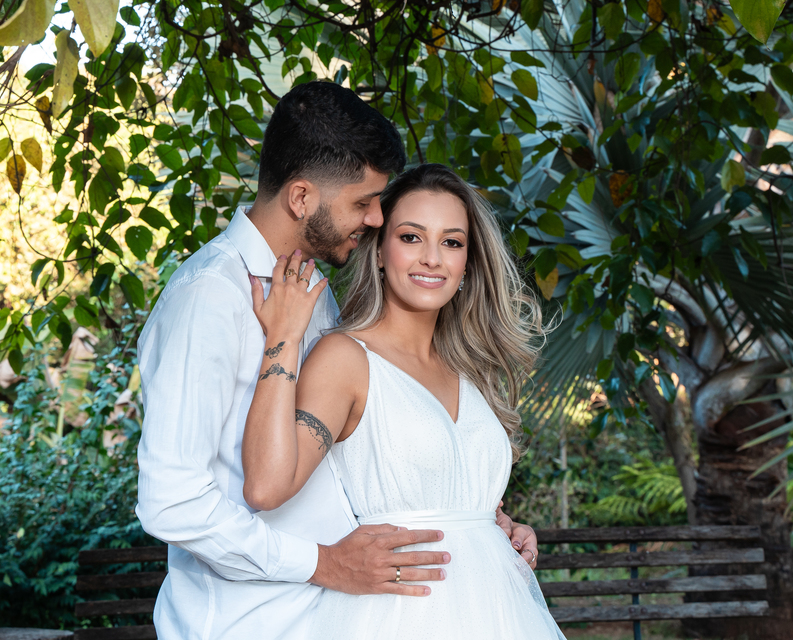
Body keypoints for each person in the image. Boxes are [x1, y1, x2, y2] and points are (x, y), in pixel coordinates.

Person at [135, 83, 538, 640]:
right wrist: (326, 563)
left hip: (336, 611)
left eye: (452, 243)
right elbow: (173, 503)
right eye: (363, 202)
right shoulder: (210, 297)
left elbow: (360, 451)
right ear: (302, 198)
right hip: (244, 623)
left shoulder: (314, 291)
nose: (375, 219)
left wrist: (471, 523)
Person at [242, 163, 566, 639]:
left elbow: (457, 499)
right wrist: (284, 337)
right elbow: (265, 488)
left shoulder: (469, 368)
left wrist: (497, 529)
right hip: (400, 615)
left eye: (452, 242)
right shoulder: (347, 358)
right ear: (379, 251)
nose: (432, 258)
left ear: (468, 262)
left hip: (498, 612)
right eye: (412, 237)